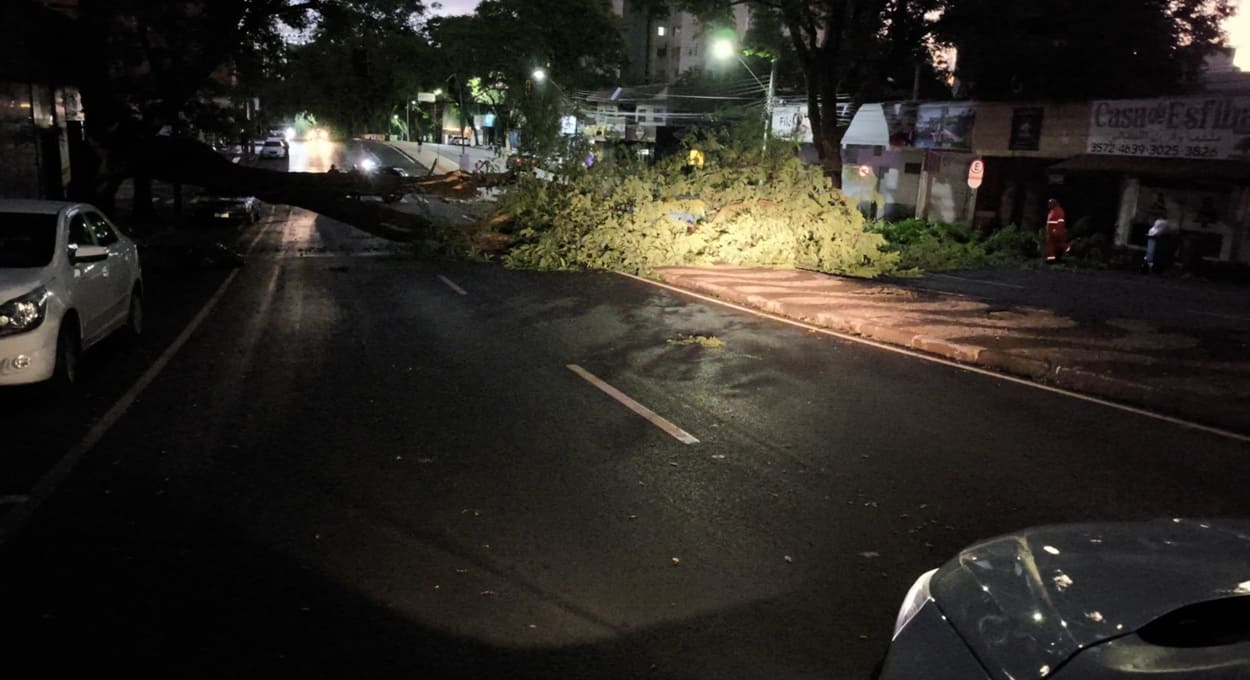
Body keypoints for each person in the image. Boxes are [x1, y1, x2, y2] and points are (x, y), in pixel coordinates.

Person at [1045, 198, 1069, 262]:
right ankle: (1051, 259)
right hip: (1051, 232)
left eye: (1051, 203)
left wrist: (1056, 231)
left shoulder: (1059, 211)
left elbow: (1061, 222)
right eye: (1049, 203)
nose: (1049, 205)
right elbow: (1049, 222)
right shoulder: (1051, 211)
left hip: (1056, 232)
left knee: (1059, 245)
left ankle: (1069, 250)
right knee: (1052, 246)